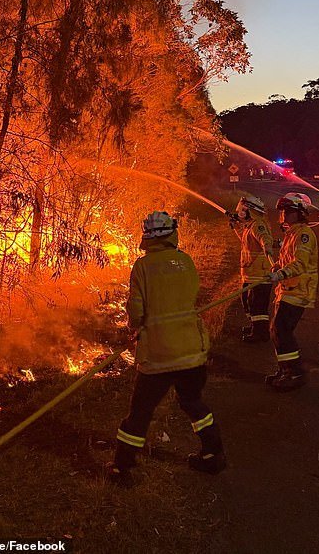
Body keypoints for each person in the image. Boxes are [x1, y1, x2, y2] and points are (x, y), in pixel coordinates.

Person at [109, 211, 225, 486]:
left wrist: (134, 327)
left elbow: (137, 309)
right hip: (192, 351)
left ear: (147, 237)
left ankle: (122, 468)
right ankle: (214, 454)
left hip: (159, 354)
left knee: (141, 411)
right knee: (193, 403)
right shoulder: (185, 261)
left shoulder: (143, 266)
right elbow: (191, 295)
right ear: (172, 234)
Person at [266, 193, 318, 391]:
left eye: (287, 211)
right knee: (277, 331)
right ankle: (285, 369)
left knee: (281, 330)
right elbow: (287, 259)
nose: (283, 215)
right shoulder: (291, 234)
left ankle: (295, 373)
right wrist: (278, 266)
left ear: (299, 213)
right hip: (288, 288)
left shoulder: (304, 235)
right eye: (282, 211)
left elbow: (300, 263)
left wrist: (280, 274)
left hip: (298, 290)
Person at [233, 194, 274, 342]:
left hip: (260, 275)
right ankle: (255, 327)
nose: (240, 212)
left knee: (258, 306)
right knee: (248, 302)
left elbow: (264, 238)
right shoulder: (250, 225)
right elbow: (247, 241)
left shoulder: (258, 224)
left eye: (242, 209)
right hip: (251, 273)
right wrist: (235, 227)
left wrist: (267, 246)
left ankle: (261, 334)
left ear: (248, 210)